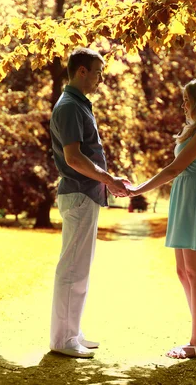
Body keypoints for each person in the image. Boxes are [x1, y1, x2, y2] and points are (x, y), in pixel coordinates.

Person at [128, 78, 196, 359]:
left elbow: (174, 169)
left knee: (195, 272)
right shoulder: (194, 130)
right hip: (184, 195)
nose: (183, 104)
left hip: (194, 196)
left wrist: (137, 189)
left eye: (187, 99)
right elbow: (175, 170)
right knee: (183, 272)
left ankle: (195, 343)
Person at [49, 47, 130, 358]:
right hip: (79, 193)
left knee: (80, 268)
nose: (101, 78)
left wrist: (106, 183)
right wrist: (109, 179)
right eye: (97, 72)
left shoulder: (78, 105)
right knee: (72, 269)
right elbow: (74, 158)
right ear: (81, 71)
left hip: (86, 194)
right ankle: (63, 340)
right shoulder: (69, 106)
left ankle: (73, 331)